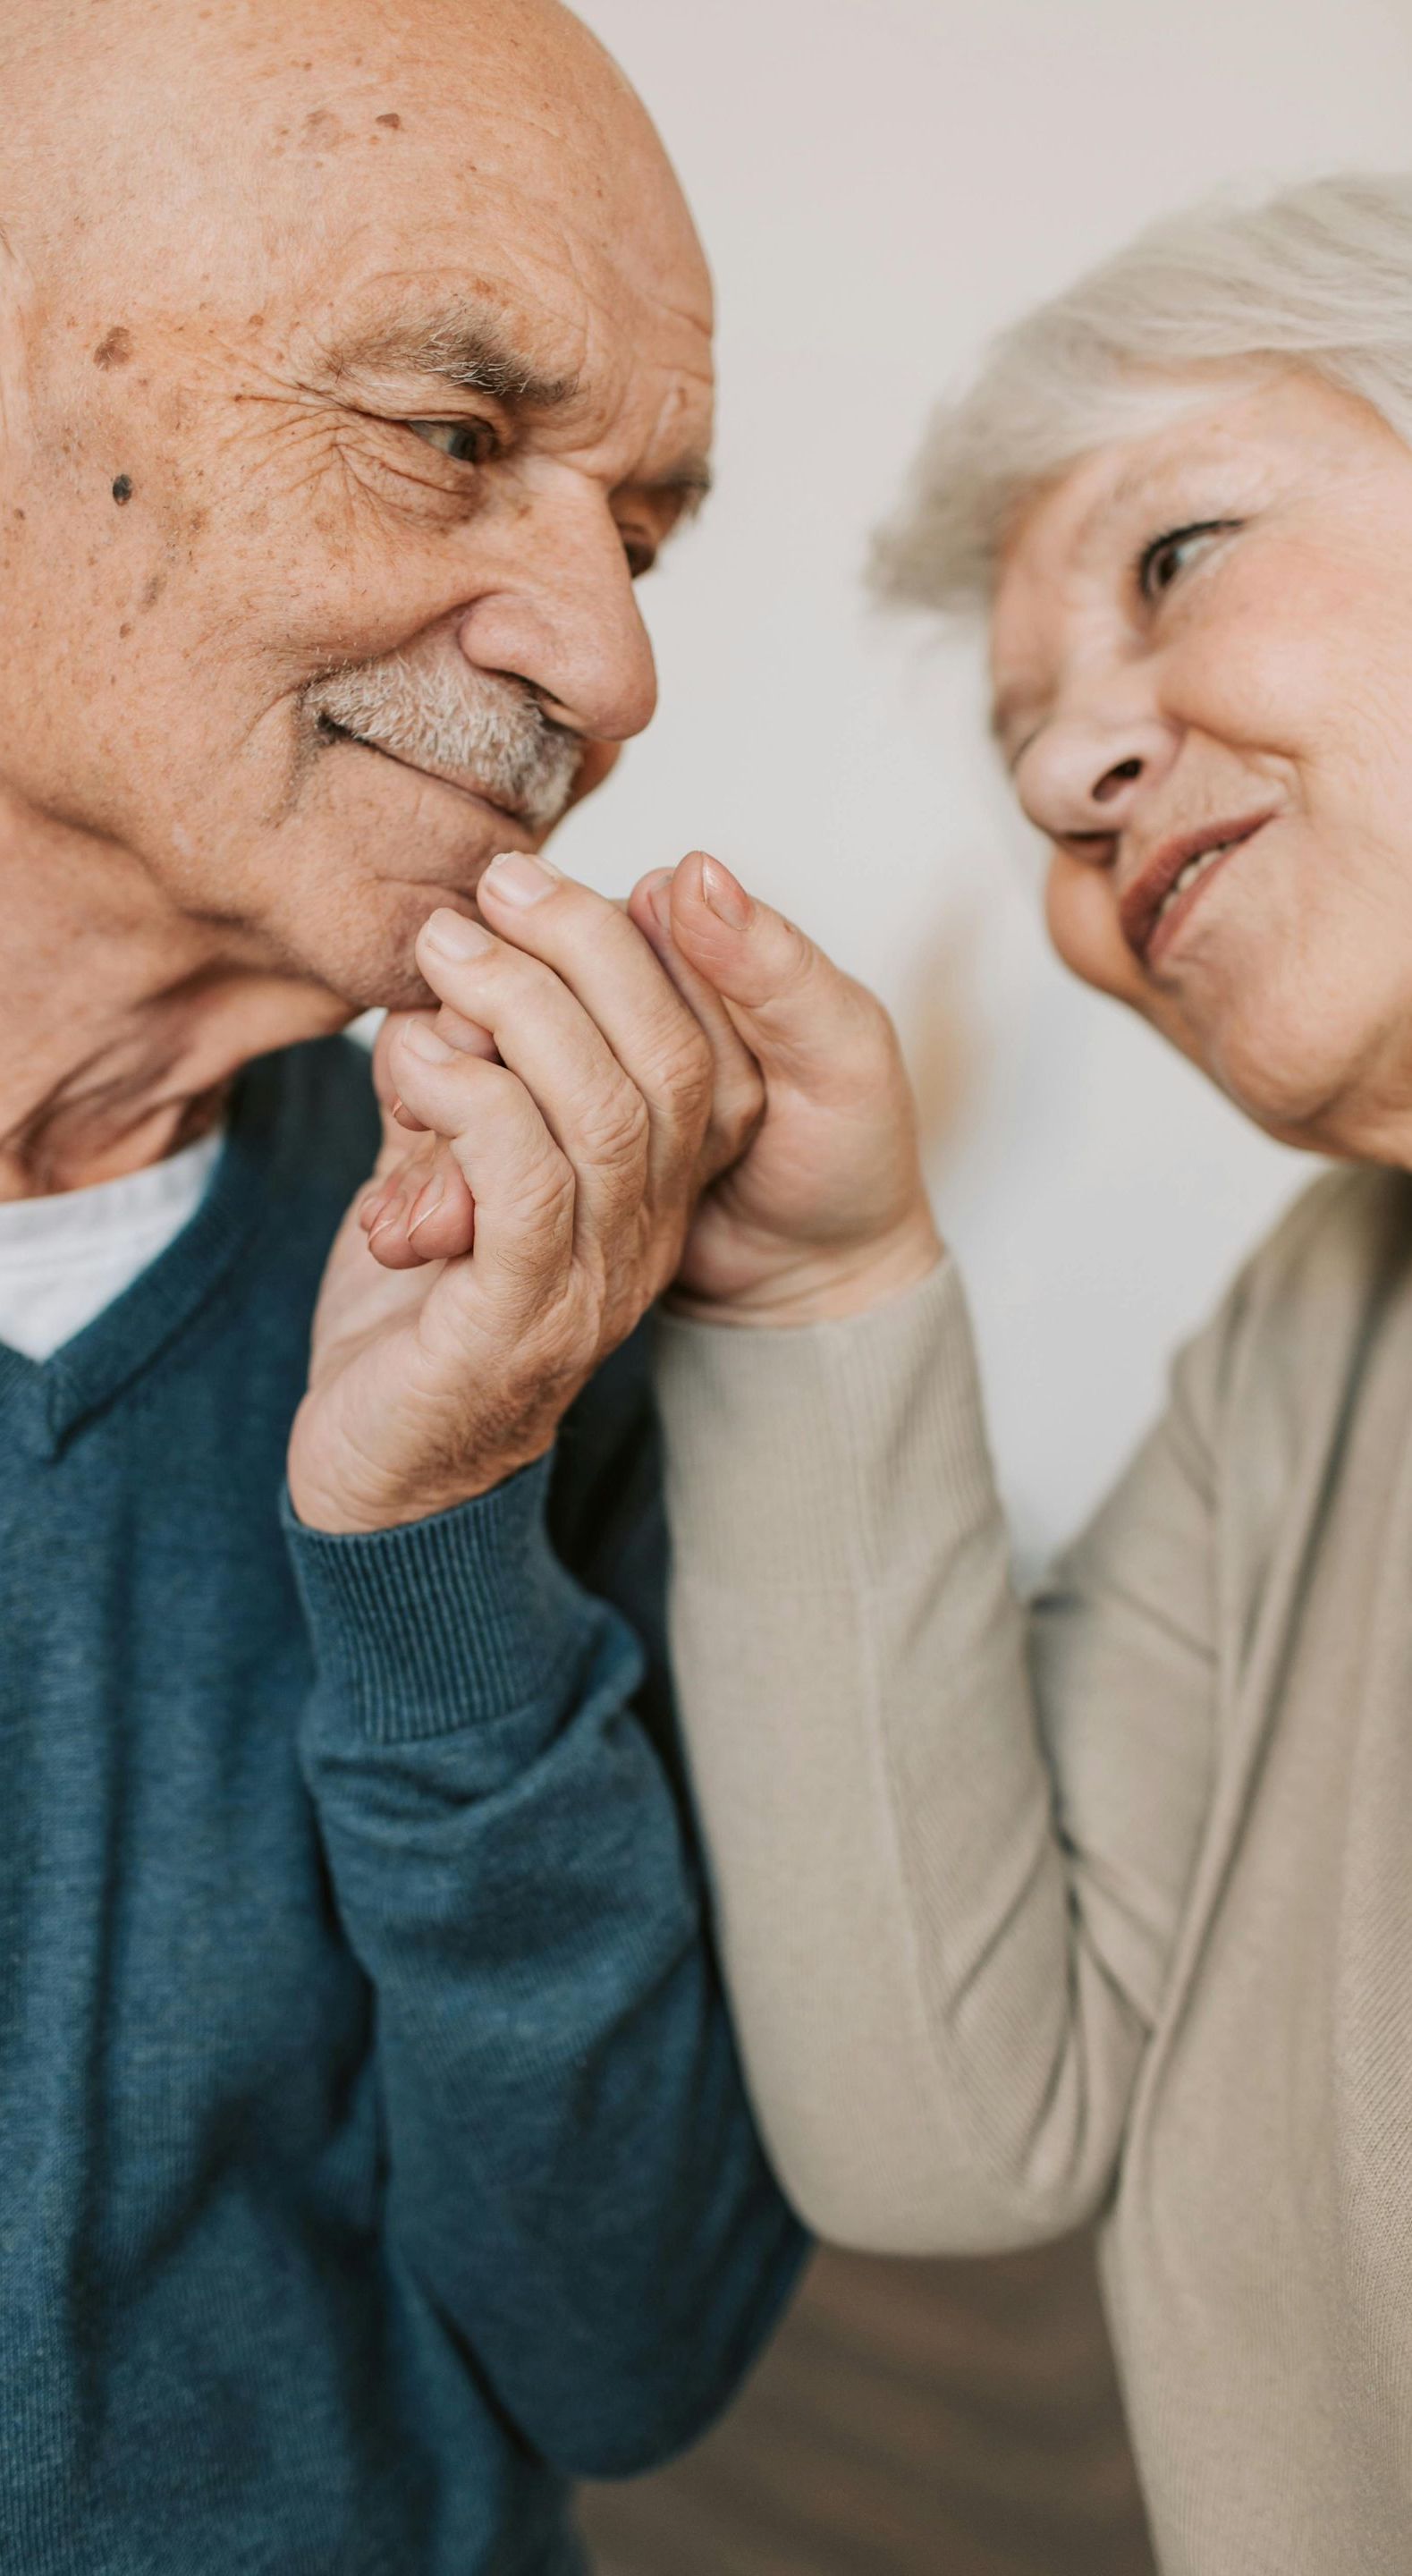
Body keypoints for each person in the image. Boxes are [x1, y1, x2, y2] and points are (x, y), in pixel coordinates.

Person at [0, 2, 807, 2567]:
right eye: (453, 435)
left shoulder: (532, 1274)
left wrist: (438, 1539)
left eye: (641, 532)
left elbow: (634, 2349)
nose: (613, 661)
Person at [594, 174, 1412, 2575]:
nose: (1070, 789)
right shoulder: (1313, 1343)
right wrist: (817, 1294)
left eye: (1170, 559)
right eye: (1025, 761)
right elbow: (951, 2123)